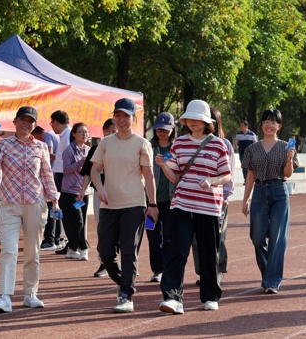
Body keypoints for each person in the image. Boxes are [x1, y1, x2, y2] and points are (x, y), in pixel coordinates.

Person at [156, 99, 231, 314]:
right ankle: (172, 298)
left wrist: (212, 181)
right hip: (182, 204)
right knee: (175, 251)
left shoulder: (218, 144)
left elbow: (226, 175)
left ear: (206, 121)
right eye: (189, 119)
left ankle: (210, 296)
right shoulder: (178, 144)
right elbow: (175, 176)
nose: (193, 122)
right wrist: (163, 166)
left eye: (197, 119)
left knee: (208, 253)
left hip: (208, 206)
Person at [0, 106, 59, 313]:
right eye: (23, 120)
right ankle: (5, 296)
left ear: (35, 124)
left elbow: (46, 175)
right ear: (15, 122)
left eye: (31, 121)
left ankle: (30, 294)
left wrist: (54, 200)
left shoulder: (41, 147)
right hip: (10, 204)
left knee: (32, 251)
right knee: (8, 250)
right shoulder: (4, 145)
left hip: (35, 203)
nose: (27, 123)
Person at [90, 98, 159, 313]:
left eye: (126, 116)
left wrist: (153, 204)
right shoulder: (106, 142)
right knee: (105, 252)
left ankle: (127, 295)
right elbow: (94, 170)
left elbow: (148, 176)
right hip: (109, 206)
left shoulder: (141, 143)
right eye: (117, 115)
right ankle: (123, 281)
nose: (121, 120)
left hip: (134, 205)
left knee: (128, 251)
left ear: (133, 118)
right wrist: (99, 188)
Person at [240, 109, 299, 294]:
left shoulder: (286, 147)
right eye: (266, 121)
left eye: (273, 122)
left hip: (279, 192)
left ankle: (272, 281)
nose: (269, 125)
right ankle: (268, 273)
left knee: (277, 237)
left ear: (279, 126)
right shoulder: (252, 149)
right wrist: (245, 199)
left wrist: (289, 160)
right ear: (261, 125)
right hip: (258, 192)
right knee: (257, 238)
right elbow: (250, 176)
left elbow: (288, 174)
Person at [192, 107, 235, 282]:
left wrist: (225, 196)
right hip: (195, 199)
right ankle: (203, 272)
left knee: (218, 237)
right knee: (196, 239)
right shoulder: (191, 142)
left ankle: (217, 270)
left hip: (217, 200)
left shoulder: (224, 144)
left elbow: (229, 173)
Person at [78, 119, 116, 278]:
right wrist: (82, 189)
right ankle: (104, 263)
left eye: (113, 130)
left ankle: (124, 262)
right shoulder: (95, 149)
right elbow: (88, 172)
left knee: (121, 230)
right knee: (102, 228)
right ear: (103, 131)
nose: (111, 133)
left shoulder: (125, 148)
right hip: (100, 195)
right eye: (108, 130)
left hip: (122, 195)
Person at [148, 112, 176, 283]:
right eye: (158, 129)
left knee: (169, 237)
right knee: (152, 236)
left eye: (165, 129)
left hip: (171, 202)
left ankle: (168, 268)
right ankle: (157, 270)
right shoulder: (148, 147)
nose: (161, 132)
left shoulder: (177, 148)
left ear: (172, 130)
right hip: (150, 202)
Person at [60, 122, 91, 260]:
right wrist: (80, 163)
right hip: (69, 191)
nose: (84, 134)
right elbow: (65, 170)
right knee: (75, 221)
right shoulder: (69, 150)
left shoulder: (89, 150)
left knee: (81, 221)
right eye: (81, 132)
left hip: (83, 191)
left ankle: (72, 248)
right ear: (73, 134)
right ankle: (83, 248)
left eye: (86, 132)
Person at [42, 110, 70, 251]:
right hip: (60, 175)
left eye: (51, 122)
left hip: (63, 176)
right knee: (58, 207)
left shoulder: (67, 135)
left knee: (57, 207)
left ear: (56, 122)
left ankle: (53, 239)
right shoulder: (62, 136)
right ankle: (60, 239)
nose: (51, 125)